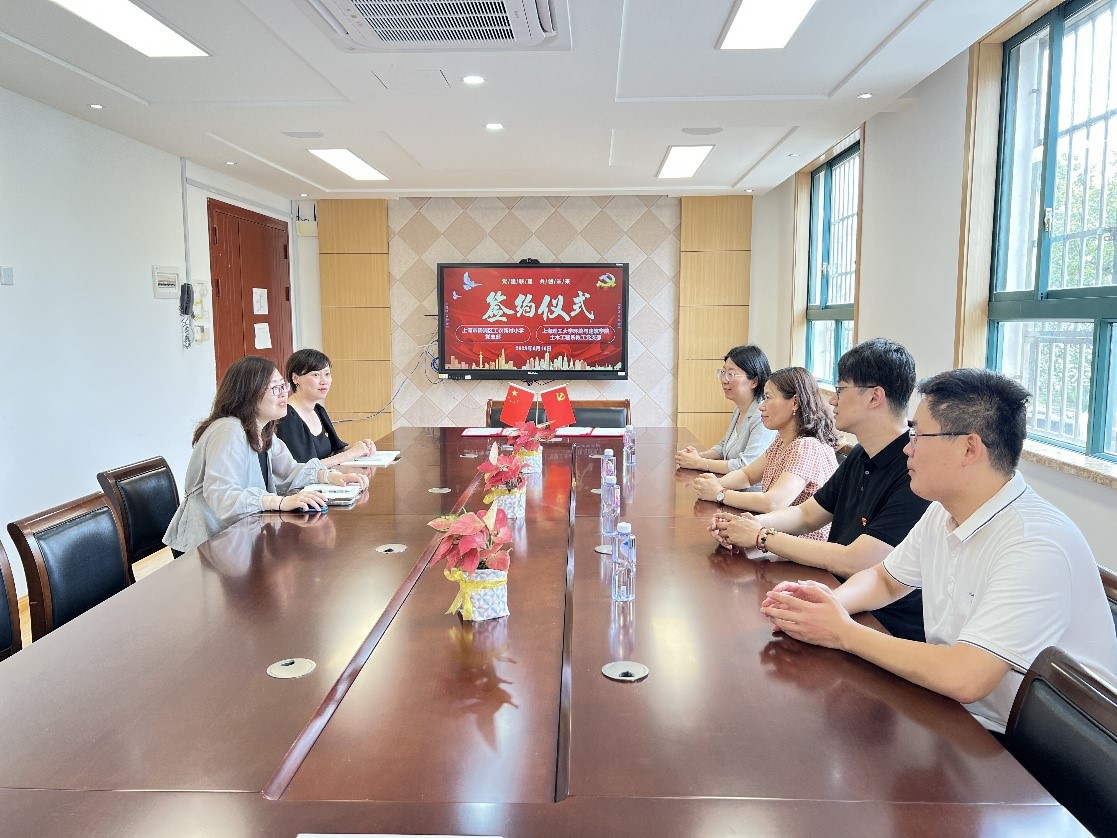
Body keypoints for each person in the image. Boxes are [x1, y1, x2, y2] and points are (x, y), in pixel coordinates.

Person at [760, 368, 1117, 734]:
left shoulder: (1036, 544)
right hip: (961, 716)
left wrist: (843, 632)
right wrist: (828, 605)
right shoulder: (943, 511)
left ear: (969, 448)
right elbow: (885, 580)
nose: (907, 448)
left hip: (1036, 748)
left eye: (918, 435)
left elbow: (965, 676)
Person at [711, 338, 929, 642]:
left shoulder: (914, 471)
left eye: (841, 390)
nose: (833, 401)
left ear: (874, 397)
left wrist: (762, 537)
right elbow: (807, 514)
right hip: (835, 594)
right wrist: (749, 524)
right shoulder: (860, 454)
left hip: (882, 624)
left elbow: (856, 560)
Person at [163, 355, 369, 556]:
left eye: (283, 386)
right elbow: (222, 495)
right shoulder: (229, 430)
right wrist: (279, 502)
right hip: (206, 542)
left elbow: (290, 471)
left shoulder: (262, 429)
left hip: (237, 538)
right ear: (249, 394)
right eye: (275, 388)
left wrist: (332, 477)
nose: (284, 394)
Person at [692, 367, 838, 540]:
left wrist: (720, 493)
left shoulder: (806, 446)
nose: (761, 406)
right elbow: (748, 475)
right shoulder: (782, 440)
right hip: (775, 536)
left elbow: (773, 503)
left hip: (801, 546)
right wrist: (714, 484)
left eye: (768, 398)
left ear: (795, 402)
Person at [676, 345, 777, 474]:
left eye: (731, 374)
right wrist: (697, 457)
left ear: (754, 381)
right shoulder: (739, 409)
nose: (724, 380)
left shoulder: (762, 415)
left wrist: (699, 463)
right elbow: (724, 446)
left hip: (749, 486)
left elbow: (747, 466)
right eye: (723, 372)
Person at [276, 348, 375, 465]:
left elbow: (334, 450)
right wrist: (350, 454)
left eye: (327, 374)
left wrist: (360, 447)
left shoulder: (318, 410)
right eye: (316, 375)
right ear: (295, 378)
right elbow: (303, 469)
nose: (324, 381)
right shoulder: (287, 416)